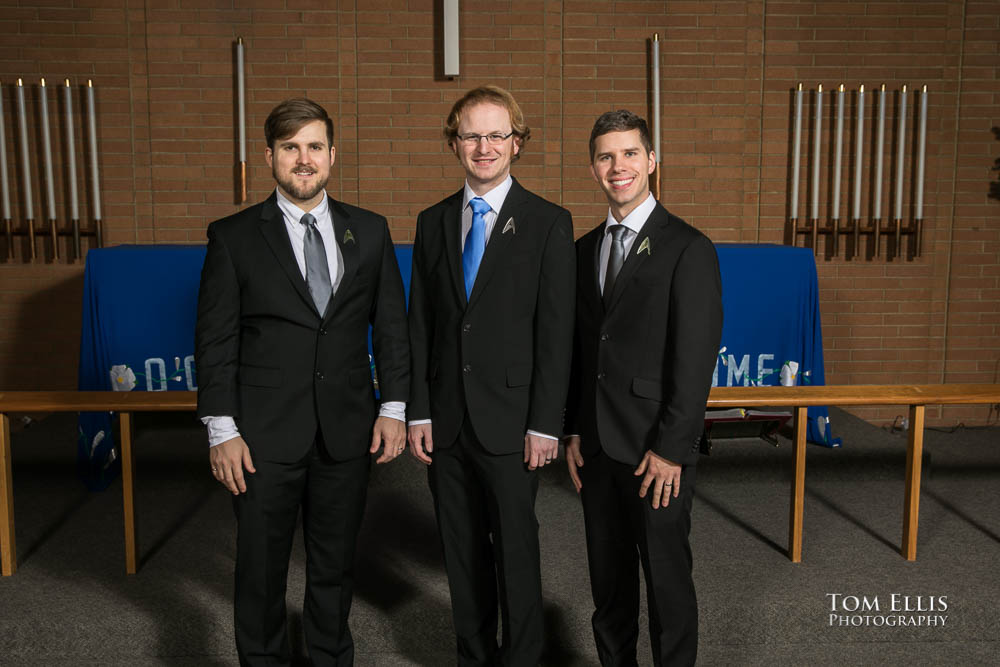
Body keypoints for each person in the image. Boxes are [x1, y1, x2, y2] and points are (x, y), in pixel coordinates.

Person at [195, 98, 410, 666]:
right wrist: (221, 429)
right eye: (290, 148)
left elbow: (390, 327)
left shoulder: (369, 230)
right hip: (261, 436)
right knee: (260, 570)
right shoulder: (234, 237)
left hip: (345, 431)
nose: (304, 158)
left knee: (335, 566)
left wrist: (393, 406)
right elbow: (215, 339)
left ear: (333, 155)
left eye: (315, 146)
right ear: (269, 157)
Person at [406, 85, 575, 665]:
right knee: (461, 553)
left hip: (513, 423)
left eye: (496, 134)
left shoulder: (549, 223)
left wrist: (546, 423)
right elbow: (421, 323)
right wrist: (418, 410)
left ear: (517, 143)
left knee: (516, 554)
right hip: (446, 421)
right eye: (471, 135)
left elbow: (556, 335)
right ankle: (473, 656)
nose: (484, 146)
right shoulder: (431, 223)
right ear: (454, 144)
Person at [564, 109, 723, 666]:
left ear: (652, 161)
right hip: (600, 449)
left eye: (630, 153)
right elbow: (584, 352)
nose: (619, 166)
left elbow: (695, 359)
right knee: (609, 592)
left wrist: (672, 449)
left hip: (658, 452)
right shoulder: (583, 250)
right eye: (606, 156)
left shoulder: (688, 248)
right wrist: (574, 429)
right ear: (593, 169)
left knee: (667, 588)